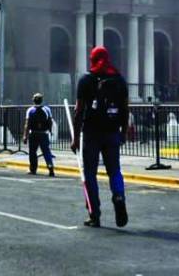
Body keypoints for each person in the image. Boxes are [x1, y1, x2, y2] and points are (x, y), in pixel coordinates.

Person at [71, 46, 128, 228]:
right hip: (112, 132)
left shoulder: (86, 80)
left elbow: (79, 111)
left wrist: (75, 137)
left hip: (91, 133)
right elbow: (125, 109)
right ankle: (118, 196)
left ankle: (94, 213)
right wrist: (124, 132)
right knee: (114, 171)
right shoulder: (119, 80)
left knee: (90, 174)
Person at [21, 92, 55, 176]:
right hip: (44, 133)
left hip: (33, 133)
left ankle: (33, 169)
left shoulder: (30, 110)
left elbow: (27, 124)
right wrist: (50, 130)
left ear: (33, 100)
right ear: (41, 100)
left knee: (32, 152)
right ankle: (50, 167)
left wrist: (25, 136)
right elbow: (50, 121)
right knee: (46, 151)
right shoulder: (47, 109)